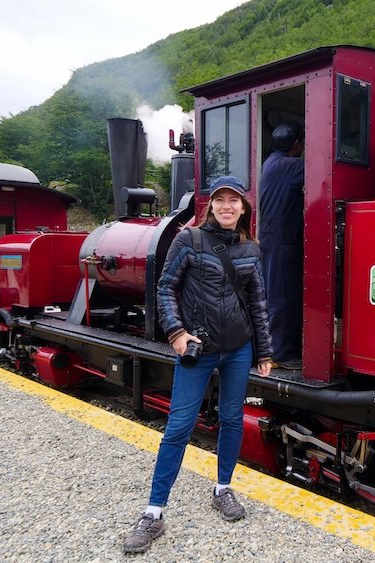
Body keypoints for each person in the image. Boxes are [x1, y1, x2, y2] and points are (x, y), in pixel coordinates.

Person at [122, 175, 273, 553]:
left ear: (243, 208)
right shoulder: (188, 240)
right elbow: (165, 287)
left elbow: (257, 303)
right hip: (198, 347)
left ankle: (223, 489)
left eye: (234, 201)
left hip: (238, 348)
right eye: (220, 200)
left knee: (232, 419)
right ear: (211, 206)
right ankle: (153, 512)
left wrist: (265, 351)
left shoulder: (251, 250)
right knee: (179, 426)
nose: (227, 206)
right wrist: (175, 332)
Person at [257, 122, 305, 370]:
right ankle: (281, 354)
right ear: (297, 143)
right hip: (281, 237)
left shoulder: (272, 162)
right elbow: (324, 165)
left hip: (274, 235)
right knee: (282, 296)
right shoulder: (289, 166)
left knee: (276, 293)